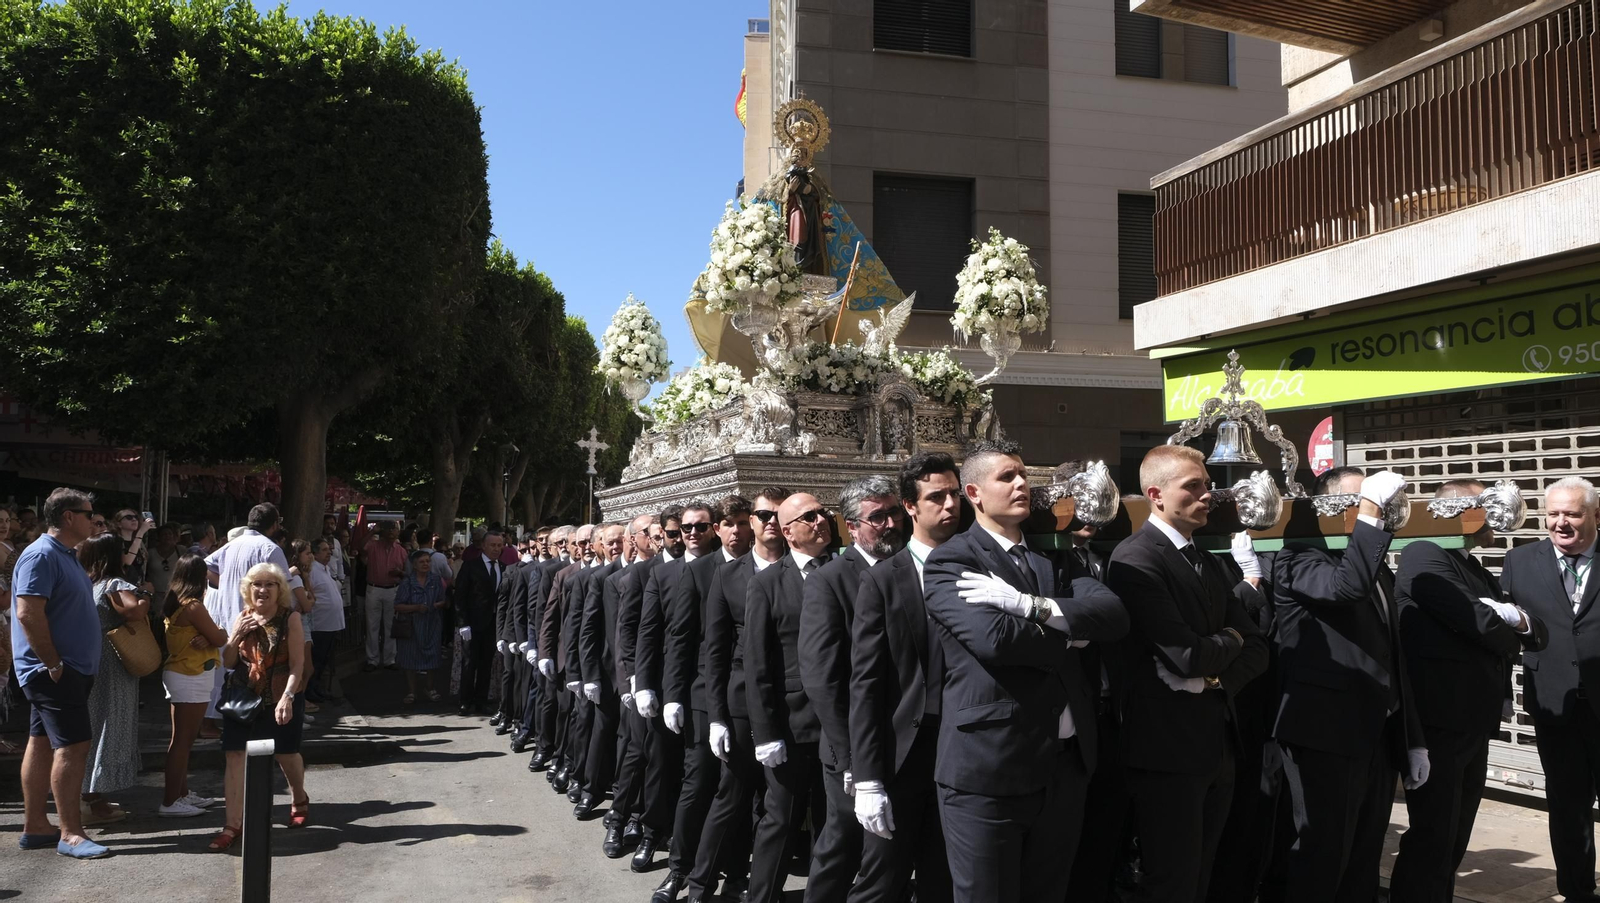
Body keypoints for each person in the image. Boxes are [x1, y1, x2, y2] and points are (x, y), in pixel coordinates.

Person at [924, 439, 1127, 903]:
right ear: (973, 493)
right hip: (990, 769)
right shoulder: (953, 561)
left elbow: (1113, 617)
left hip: (1064, 768)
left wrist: (1029, 606)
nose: (1021, 484)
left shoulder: (1053, 556)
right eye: (1007, 477)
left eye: (1023, 474)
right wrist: (1071, 630)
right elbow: (996, 641)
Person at [1104, 445, 1270, 903]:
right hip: (1166, 753)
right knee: (1171, 882)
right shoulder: (1136, 560)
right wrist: (1227, 644)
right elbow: (1186, 656)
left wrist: (1217, 678)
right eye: (1193, 487)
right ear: (1156, 495)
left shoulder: (1208, 560)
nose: (1207, 496)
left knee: (1203, 879)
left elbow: (1257, 647)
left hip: (1217, 745)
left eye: (1207, 485)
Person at [1270, 465, 1425, 903]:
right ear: (1330, 508)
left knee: (1363, 859)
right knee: (1322, 858)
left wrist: (1412, 736)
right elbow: (1344, 590)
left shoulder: (1374, 567)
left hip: (1375, 734)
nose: (1371, 513)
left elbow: (1392, 657)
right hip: (1326, 735)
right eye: (1358, 502)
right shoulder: (1298, 558)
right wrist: (1372, 511)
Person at [1390, 479, 1548, 901]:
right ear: (1457, 510)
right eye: (1486, 506)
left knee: (1454, 837)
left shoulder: (1474, 568)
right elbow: (1478, 623)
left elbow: (1532, 629)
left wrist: (1512, 619)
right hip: (1439, 720)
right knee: (1434, 837)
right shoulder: (1424, 553)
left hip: (1472, 721)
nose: (1496, 517)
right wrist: (1509, 623)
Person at [849, 454, 961, 903]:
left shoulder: (977, 564)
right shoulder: (883, 580)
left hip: (964, 746)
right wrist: (868, 779)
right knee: (883, 879)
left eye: (955, 494)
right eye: (937, 496)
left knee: (946, 876)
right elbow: (866, 683)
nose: (950, 504)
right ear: (909, 507)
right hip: (903, 753)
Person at [800, 476, 905, 903]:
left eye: (894, 512)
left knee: (888, 848)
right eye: (876, 517)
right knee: (842, 843)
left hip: (901, 734)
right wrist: (851, 760)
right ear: (851, 526)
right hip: (850, 744)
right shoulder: (830, 580)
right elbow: (823, 677)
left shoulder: (910, 567)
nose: (889, 523)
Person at [1500, 476, 1600, 902]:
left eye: (1572, 514)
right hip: (1553, 703)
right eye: (1553, 514)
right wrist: (1502, 693)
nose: (1561, 523)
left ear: (1595, 515)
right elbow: (1504, 633)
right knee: (1567, 805)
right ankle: (1577, 892)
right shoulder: (1520, 562)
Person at [691, 489, 788, 899]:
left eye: (775, 515)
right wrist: (716, 716)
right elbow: (714, 652)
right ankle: (698, 884)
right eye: (760, 514)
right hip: (741, 704)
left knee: (779, 805)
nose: (768, 521)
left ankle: (757, 885)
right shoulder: (728, 577)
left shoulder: (805, 571)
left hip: (793, 703)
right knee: (731, 796)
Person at [12, 487, 113, 859]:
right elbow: (27, 613)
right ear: (68, 517)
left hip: (62, 671)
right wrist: (54, 663)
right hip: (53, 672)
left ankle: (36, 825)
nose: (93, 519)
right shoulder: (41, 554)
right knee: (73, 747)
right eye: (88, 513)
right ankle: (70, 834)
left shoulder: (65, 554)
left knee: (41, 744)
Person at [745, 492, 835, 903]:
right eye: (808, 517)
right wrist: (766, 734)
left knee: (834, 824)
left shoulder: (847, 570)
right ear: (788, 532)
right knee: (780, 820)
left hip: (840, 725)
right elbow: (758, 664)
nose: (820, 521)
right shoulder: (767, 583)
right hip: (791, 726)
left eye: (823, 513)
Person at [209, 562, 309, 852]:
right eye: (256, 584)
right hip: (243, 698)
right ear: (248, 590)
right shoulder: (243, 616)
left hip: (281, 695)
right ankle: (232, 825)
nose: (262, 590)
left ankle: (299, 798)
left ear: (280, 590)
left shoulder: (290, 618)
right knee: (235, 756)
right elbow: (228, 662)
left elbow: (297, 664)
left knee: (286, 754)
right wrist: (236, 634)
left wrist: (288, 697)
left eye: (269, 584)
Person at [651, 502, 722, 902]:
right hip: (699, 695)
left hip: (743, 695)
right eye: (687, 527)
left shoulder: (746, 568)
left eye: (701, 526)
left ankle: (723, 867)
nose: (693, 533)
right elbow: (676, 639)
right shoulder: (693, 573)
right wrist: (671, 694)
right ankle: (679, 871)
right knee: (695, 784)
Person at [76, 532, 149, 826]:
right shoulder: (114, 584)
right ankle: (93, 798)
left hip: (94, 660)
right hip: (115, 664)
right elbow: (133, 610)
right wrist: (147, 595)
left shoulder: (88, 583)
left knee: (95, 724)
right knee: (110, 724)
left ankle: (91, 795)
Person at [159, 553, 226, 817]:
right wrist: (213, 636)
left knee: (181, 741)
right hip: (190, 675)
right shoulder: (193, 606)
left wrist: (207, 637)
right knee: (182, 742)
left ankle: (181, 794)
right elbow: (220, 637)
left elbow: (209, 637)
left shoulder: (175, 602)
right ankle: (170, 801)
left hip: (183, 673)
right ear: (200, 577)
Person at [205, 503, 290, 636]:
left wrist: (226, 585)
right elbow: (285, 590)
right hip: (257, 627)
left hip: (229, 625)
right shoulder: (270, 549)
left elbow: (205, 566)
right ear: (274, 525)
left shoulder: (230, 546)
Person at [455, 529, 507, 715]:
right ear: (483, 546)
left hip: (493, 624)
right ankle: (465, 700)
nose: (496, 549)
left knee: (487, 663)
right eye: (492, 545)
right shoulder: (470, 566)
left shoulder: (503, 567)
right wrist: (463, 623)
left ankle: (481, 700)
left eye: (499, 545)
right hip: (473, 623)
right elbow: (460, 596)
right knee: (470, 663)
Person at [395, 549, 448, 704]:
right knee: (410, 657)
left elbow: (443, 601)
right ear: (414, 565)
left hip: (432, 623)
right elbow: (398, 605)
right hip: (411, 624)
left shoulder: (436, 580)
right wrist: (416, 608)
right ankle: (411, 692)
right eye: (422, 562)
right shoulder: (407, 582)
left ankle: (430, 688)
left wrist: (435, 605)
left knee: (433, 656)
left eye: (428, 561)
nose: (426, 564)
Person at [361, 520, 407, 672]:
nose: (392, 533)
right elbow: (359, 547)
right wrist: (373, 531)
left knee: (390, 625)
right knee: (372, 625)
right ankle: (372, 659)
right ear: (384, 532)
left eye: (395, 531)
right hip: (374, 588)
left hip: (393, 588)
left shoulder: (401, 550)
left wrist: (400, 573)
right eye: (389, 530)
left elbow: (407, 573)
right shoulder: (373, 546)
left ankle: (389, 659)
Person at [305, 538, 347, 704]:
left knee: (323, 661)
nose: (329, 552)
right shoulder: (313, 571)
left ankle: (317, 688)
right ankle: (310, 690)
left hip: (330, 624)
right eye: (324, 550)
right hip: (320, 624)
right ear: (314, 553)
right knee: (317, 659)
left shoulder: (325, 569)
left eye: (329, 549)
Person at [286, 539, 319, 714]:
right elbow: (308, 605)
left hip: (304, 622)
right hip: (298, 624)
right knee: (304, 668)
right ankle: (297, 707)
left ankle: (300, 705)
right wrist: (310, 601)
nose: (311, 556)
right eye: (307, 553)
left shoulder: (301, 576)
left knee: (306, 669)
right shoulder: (293, 576)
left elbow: (312, 599)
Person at [111, 509, 153, 589]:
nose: (134, 519)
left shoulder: (139, 542)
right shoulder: (116, 541)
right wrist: (141, 532)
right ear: (119, 524)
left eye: (136, 517)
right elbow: (127, 561)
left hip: (137, 587)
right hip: (122, 587)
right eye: (128, 517)